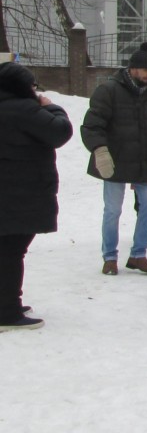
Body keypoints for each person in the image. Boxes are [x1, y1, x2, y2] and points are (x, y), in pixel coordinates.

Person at [80, 42, 147, 276]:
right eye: (146, 71)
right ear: (133, 69)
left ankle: (139, 254)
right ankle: (109, 256)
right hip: (115, 160)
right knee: (113, 210)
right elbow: (92, 125)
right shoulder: (108, 90)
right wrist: (100, 150)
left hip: (144, 161)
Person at [0, 64, 73, 330]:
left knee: (6, 251)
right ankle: (7, 312)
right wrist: (50, 106)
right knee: (11, 252)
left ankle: (6, 303)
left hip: (9, 193)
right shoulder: (24, 109)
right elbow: (60, 131)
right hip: (20, 194)